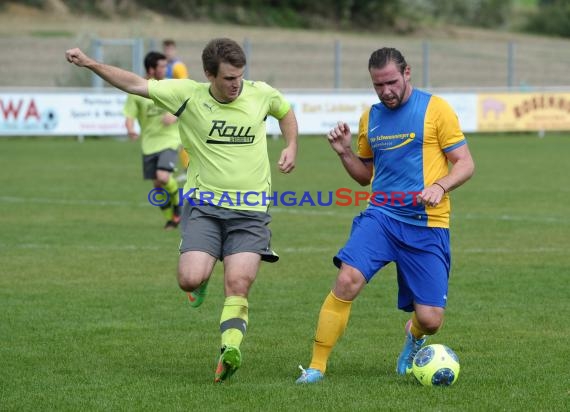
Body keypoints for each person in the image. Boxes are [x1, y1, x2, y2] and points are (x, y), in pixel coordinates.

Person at [66, 38, 298, 383]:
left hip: (250, 211)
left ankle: (230, 348)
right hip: (205, 208)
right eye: (228, 78)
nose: (237, 84)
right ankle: (201, 276)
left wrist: (292, 145)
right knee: (188, 278)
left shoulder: (260, 93)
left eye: (240, 76)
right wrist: (89, 63)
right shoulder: (187, 94)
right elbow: (133, 83)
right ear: (209, 75)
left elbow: (284, 111)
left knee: (237, 283)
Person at [296, 47, 475, 384]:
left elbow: (465, 163)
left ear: (407, 73)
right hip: (381, 217)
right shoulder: (371, 118)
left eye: (391, 82)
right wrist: (345, 152)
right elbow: (365, 176)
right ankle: (316, 367)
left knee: (431, 319)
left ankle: (414, 337)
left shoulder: (435, 109)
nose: (386, 91)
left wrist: (441, 185)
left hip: (427, 224)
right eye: (378, 85)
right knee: (347, 279)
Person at [123, 51, 181, 230]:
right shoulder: (137, 91)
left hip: (170, 140)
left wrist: (175, 114)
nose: (166, 69)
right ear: (151, 69)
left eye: (166, 66)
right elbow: (129, 115)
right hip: (149, 144)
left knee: (163, 177)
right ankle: (170, 219)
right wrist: (131, 129)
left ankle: (179, 209)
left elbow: (186, 105)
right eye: (162, 66)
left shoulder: (171, 87)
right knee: (157, 186)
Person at [161, 39, 190, 181]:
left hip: (176, 107)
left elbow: (184, 88)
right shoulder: (163, 66)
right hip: (166, 106)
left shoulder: (178, 67)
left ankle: (188, 169)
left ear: (174, 50)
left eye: (170, 49)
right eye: (166, 49)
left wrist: (176, 111)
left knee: (181, 139)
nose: (168, 52)